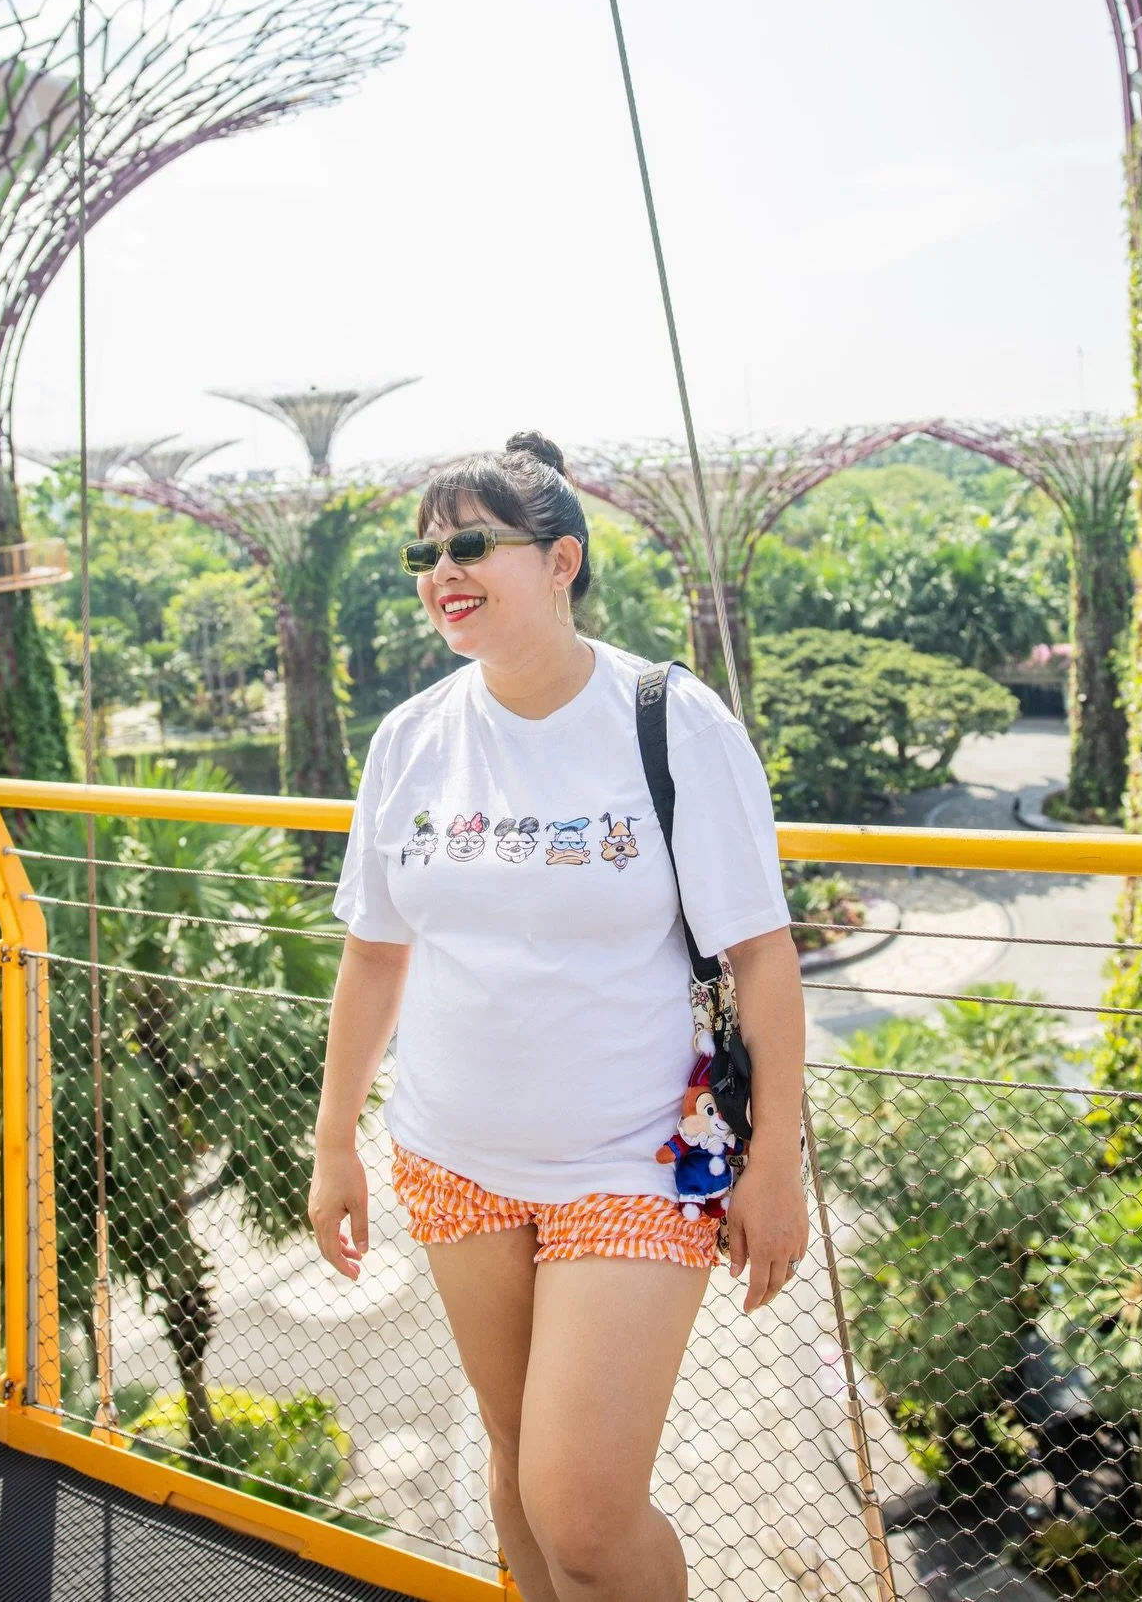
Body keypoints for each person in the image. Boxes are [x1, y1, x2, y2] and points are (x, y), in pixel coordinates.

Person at [308, 431, 808, 1602]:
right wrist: (336, 1138)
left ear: (562, 558)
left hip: (632, 1162)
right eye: (424, 551)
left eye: (473, 541)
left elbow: (762, 952)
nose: (444, 568)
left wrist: (775, 1160)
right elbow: (376, 953)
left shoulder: (669, 718)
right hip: (454, 1157)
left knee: (582, 1509)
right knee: (514, 1469)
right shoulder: (412, 738)